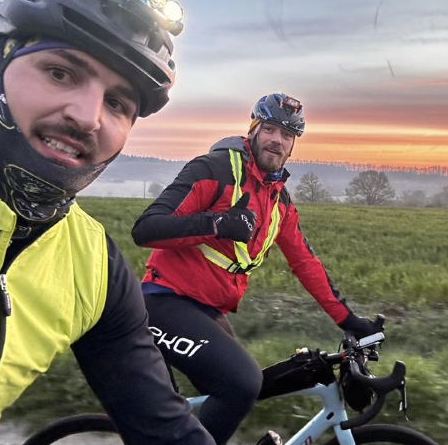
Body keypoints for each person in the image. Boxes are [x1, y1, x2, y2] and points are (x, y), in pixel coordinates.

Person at [0, 0, 214, 445]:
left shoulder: (92, 266)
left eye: (117, 104)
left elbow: (165, 428)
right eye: (60, 73)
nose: (87, 118)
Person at [132, 92, 383, 445]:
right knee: (240, 383)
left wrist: (349, 320)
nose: (277, 140)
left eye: (287, 134)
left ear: (293, 145)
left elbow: (305, 263)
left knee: (242, 391)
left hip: (208, 310)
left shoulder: (278, 201)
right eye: (269, 129)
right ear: (253, 130)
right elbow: (146, 230)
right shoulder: (214, 170)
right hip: (164, 301)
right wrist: (217, 224)